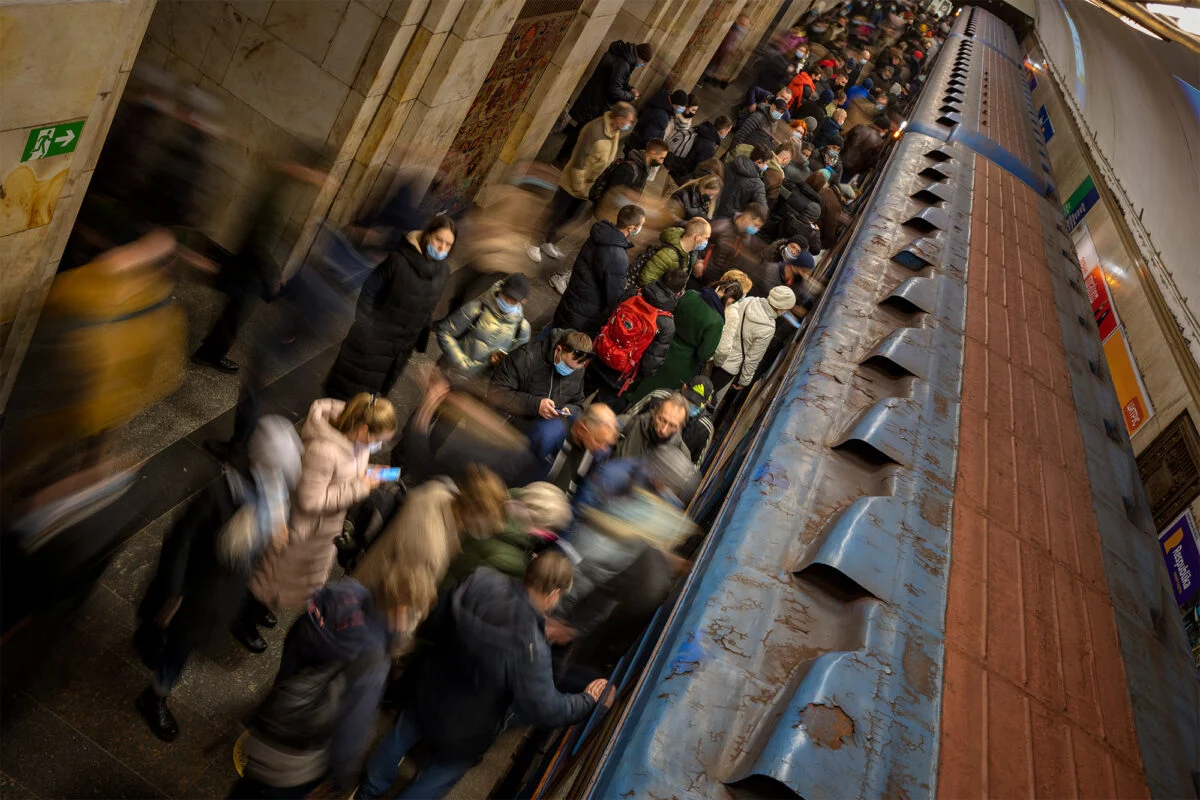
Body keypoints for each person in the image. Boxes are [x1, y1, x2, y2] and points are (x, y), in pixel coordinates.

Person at [356, 553, 604, 800]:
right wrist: (586, 700)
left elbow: (435, 621)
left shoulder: (481, 581)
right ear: (554, 594)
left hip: (429, 691)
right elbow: (546, 708)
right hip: (467, 730)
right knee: (438, 777)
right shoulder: (532, 649)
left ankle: (368, 790)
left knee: (399, 736)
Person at [135, 417, 302, 742]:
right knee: (177, 647)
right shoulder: (219, 493)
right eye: (277, 468)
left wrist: (273, 531)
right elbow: (180, 542)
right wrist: (173, 593)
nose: (280, 476)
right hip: (196, 590)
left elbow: (274, 513)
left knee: (179, 641)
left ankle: (153, 644)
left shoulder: (271, 488)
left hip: (223, 590)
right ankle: (154, 695)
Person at [233, 579, 398, 799]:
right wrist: (342, 780)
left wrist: (282, 688)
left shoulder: (343, 592)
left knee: (246, 788)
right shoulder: (376, 661)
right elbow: (351, 732)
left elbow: (296, 637)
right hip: (301, 757)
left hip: (274, 720)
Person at [249, 394, 397, 616]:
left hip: (322, 530)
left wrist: (369, 473)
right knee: (272, 574)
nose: (379, 445)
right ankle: (248, 611)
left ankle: (261, 604)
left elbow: (345, 474)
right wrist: (360, 486)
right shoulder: (324, 451)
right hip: (304, 530)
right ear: (364, 430)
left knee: (284, 581)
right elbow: (309, 500)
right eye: (379, 439)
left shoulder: (359, 443)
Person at [354, 465, 509, 623]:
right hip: (367, 612)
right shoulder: (431, 548)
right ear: (472, 511)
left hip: (361, 584)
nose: (486, 532)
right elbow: (405, 603)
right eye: (487, 524)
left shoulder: (438, 491)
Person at [324, 215, 455, 399]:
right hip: (372, 340)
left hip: (400, 348)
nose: (442, 248)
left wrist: (419, 336)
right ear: (427, 235)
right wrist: (366, 328)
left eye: (448, 244)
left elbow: (428, 306)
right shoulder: (398, 261)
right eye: (438, 240)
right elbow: (369, 291)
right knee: (346, 391)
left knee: (368, 400)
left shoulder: (443, 272)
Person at [530, 102, 636, 264]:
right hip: (574, 182)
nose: (629, 125)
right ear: (619, 118)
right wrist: (578, 185)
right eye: (628, 121)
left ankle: (548, 240)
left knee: (571, 216)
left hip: (587, 186)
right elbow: (579, 159)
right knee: (555, 211)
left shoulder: (614, 132)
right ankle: (534, 241)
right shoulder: (595, 129)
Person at [625, 279, 743, 403]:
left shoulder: (691, 294)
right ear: (731, 300)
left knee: (638, 386)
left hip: (660, 343)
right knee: (657, 399)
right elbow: (705, 353)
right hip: (682, 363)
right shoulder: (717, 320)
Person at [442, 483, 574, 587]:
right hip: (444, 597)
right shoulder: (514, 562)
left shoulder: (496, 500)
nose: (547, 538)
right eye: (549, 534)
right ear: (539, 527)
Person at [587, 269, 686, 407]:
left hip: (599, 355)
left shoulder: (634, 293)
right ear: (678, 293)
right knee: (596, 412)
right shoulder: (666, 323)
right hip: (620, 375)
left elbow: (607, 316)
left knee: (577, 394)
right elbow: (650, 363)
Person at [550, 204, 644, 335]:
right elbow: (613, 295)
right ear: (631, 228)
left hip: (572, 297)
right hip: (585, 312)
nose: (641, 229)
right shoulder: (618, 256)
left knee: (554, 329)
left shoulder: (600, 234)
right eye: (640, 226)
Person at [555, 41, 651, 165]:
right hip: (597, 102)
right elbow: (614, 90)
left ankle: (564, 157)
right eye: (643, 62)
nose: (641, 65)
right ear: (639, 57)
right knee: (583, 133)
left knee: (581, 130)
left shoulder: (621, 55)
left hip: (593, 97)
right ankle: (563, 159)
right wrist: (631, 96)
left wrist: (629, 88)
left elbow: (618, 81)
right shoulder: (624, 64)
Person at [436, 273, 532, 379]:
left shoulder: (522, 329)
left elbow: (514, 364)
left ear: (523, 301)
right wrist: (461, 363)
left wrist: (498, 363)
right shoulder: (476, 309)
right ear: (500, 289)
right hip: (448, 372)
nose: (507, 301)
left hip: (476, 386)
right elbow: (445, 331)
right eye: (506, 296)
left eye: (513, 300)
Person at [487, 330, 593, 425]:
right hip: (510, 421)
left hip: (544, 424)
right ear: (558, 349)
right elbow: (496, 391)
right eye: (567, 365)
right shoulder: (525, 358)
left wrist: (569, 409)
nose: (569, 371)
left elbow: (578, 404)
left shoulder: (578, 370)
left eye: (574, 369)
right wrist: (536, 406)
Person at [712, 286, 797, 397]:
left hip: (715, 350)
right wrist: (744, 381)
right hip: (728, 367)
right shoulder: (768, 328)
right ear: (781, 309)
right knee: (707, 396)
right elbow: (753, 358)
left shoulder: (749, 301)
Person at [526, 403, 620, 495]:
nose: (604, 448)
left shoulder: (597, 453)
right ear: (581, 429)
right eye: (599, 441)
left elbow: (585, 491)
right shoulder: (548, 435)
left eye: (607, 443)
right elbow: (520, 473)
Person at [620, 376, 716, 465]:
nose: (689, 406)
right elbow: (628, 418)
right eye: (688, 399)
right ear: (684, 388)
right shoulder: (658, 397)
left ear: (707, 403)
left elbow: (692, 468)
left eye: (695, 404)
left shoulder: (705, 429)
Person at [589, 140, 669, 226]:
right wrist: (646, 202)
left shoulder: (644, 167)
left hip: (618, 214)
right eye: (661, 158)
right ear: (653, 153)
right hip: (606, 215)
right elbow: (614, 193)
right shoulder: (628, 169)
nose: (662, 162)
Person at [698, 204, 769, 283]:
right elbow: (697, 241)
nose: (756, 229)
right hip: (701, 277)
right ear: (747, 216)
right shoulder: (720, 227)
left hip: (719, 283)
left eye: (759, 227)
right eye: (755, 225)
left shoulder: (747, 240)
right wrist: (697, 261)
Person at [612, 392, 691, 460]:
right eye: (662, 420)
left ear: (681, 426)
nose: (663, 430)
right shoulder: (625, 424)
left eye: (672, 425)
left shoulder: (682, 456)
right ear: (654, 413)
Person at [636, 217, 711, 288]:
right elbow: (645, 280)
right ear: (697, 237)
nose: (706, 242)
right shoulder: (667, 255)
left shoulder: (690, 253)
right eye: (706, 238)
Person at [665, 115, 731, 187]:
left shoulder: (703, 130)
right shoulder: (709, 146)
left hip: (675, 169)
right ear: (723, 131)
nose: (727, 134)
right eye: (728, 132)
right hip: (681, 179)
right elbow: (699, 168)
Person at [714, 144, 771, 219]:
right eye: (766, 164)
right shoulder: (757, 184)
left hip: (713, 205)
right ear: (759, 161)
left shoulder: (731, 164)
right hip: (728, 218)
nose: (766, 167)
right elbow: (763, 209)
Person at [629, 88, 687, 156]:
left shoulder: (662, 98)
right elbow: (649, 139)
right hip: (639, 149)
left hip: (634, 138)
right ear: (675, 105)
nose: (684, 109)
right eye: (682, 106)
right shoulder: (662, 117)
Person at [841, 113, 891, 181]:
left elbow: (843, 140)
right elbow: (871, 161)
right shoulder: (879, 142)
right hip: (851, 171)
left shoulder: (859, 127)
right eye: (885, 130)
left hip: (839, 160)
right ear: (881, 128)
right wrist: (860, 171)